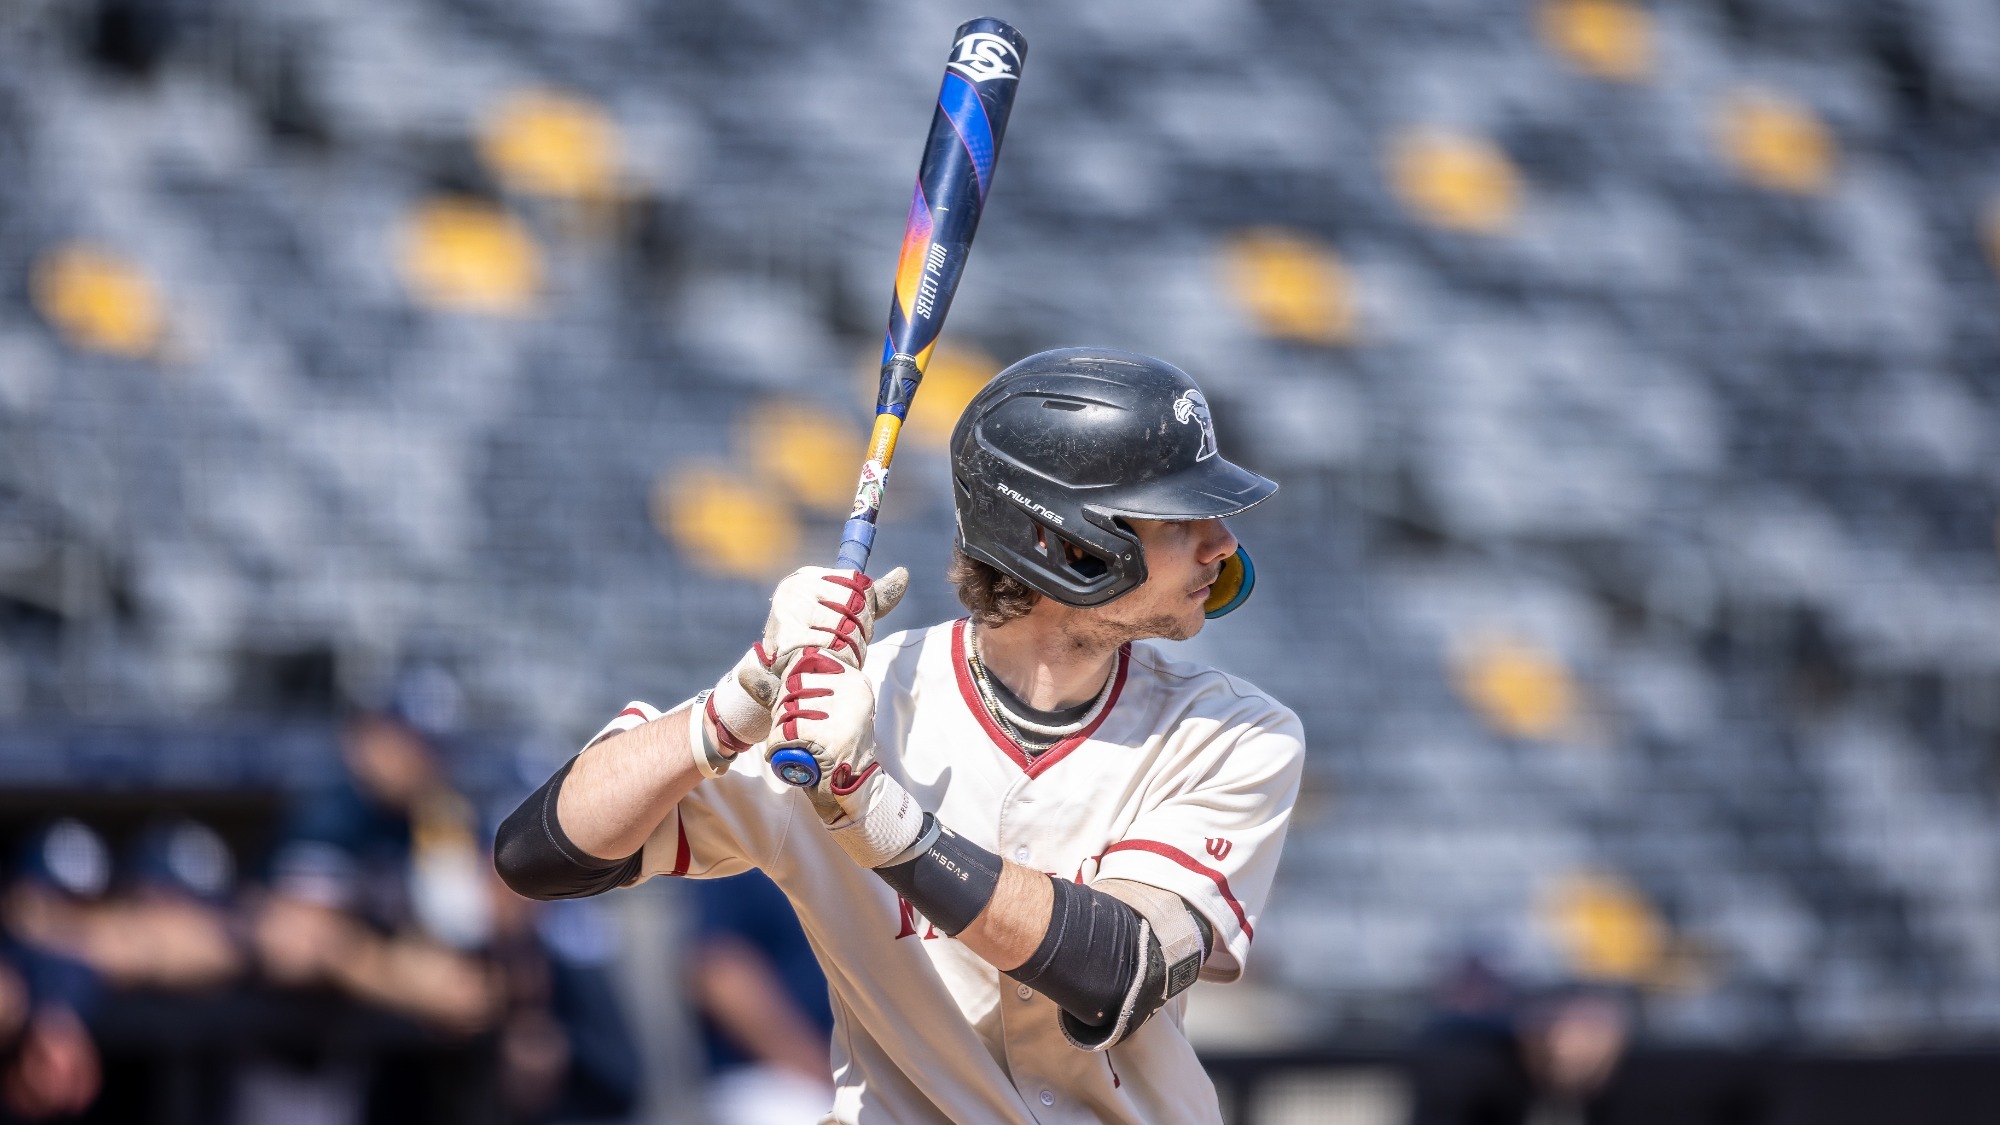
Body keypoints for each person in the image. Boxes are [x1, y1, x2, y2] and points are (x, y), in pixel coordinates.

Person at [497, 348, 1306, 1122]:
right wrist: (732, 707)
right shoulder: (852, 706)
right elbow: (540, 854)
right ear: (1066, 543)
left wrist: (875, 814)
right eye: (1180, 518)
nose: (1222, 544)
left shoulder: (1237, 732)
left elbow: (1114, 968)